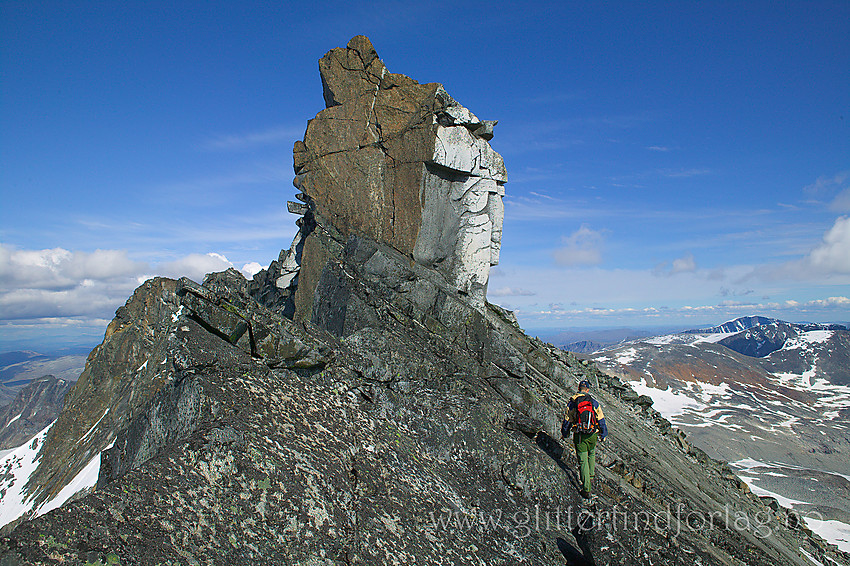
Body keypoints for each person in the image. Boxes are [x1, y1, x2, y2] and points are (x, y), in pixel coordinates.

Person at [563, 379, 608, 499]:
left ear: (579, 389)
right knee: (591, 453)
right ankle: (591, 477)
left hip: (580, 435)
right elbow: (601, 419)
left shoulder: (573, 402)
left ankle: (587, 489)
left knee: (582, 460)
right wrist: (603, 433)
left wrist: (565, 433)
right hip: (593, 434)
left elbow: (568, 420)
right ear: (587, 390)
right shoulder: (593, 402)